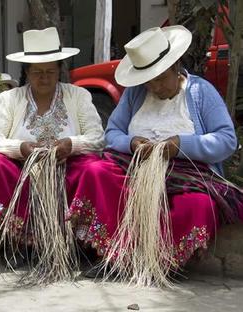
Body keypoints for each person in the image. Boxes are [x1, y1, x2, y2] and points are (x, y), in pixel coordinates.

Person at [76, 26, 243, 278]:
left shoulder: (200, 92)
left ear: (176, 66)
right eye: (148, 81)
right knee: (94, 171)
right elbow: (112, 134)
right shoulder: (135, 93)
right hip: (135, 171)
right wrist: (132, 144)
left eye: (161, 78)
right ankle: (113, 255)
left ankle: (162, 261)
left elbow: (226, 140)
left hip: (186, 177)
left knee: (198, 205)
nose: (154, 87)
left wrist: (180, 145)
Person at [0, 27, 105, 258]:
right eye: (37, 72)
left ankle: (83, 243)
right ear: (26, 72)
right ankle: (14, 240)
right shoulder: (8, 99)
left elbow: (97, 138)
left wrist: (71, 144)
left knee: (96, 168)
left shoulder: (78, 96)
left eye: (50, 71)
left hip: (67, 170)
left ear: (60, 71)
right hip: (22, 173)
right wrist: (20, 148)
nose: (44, 77)